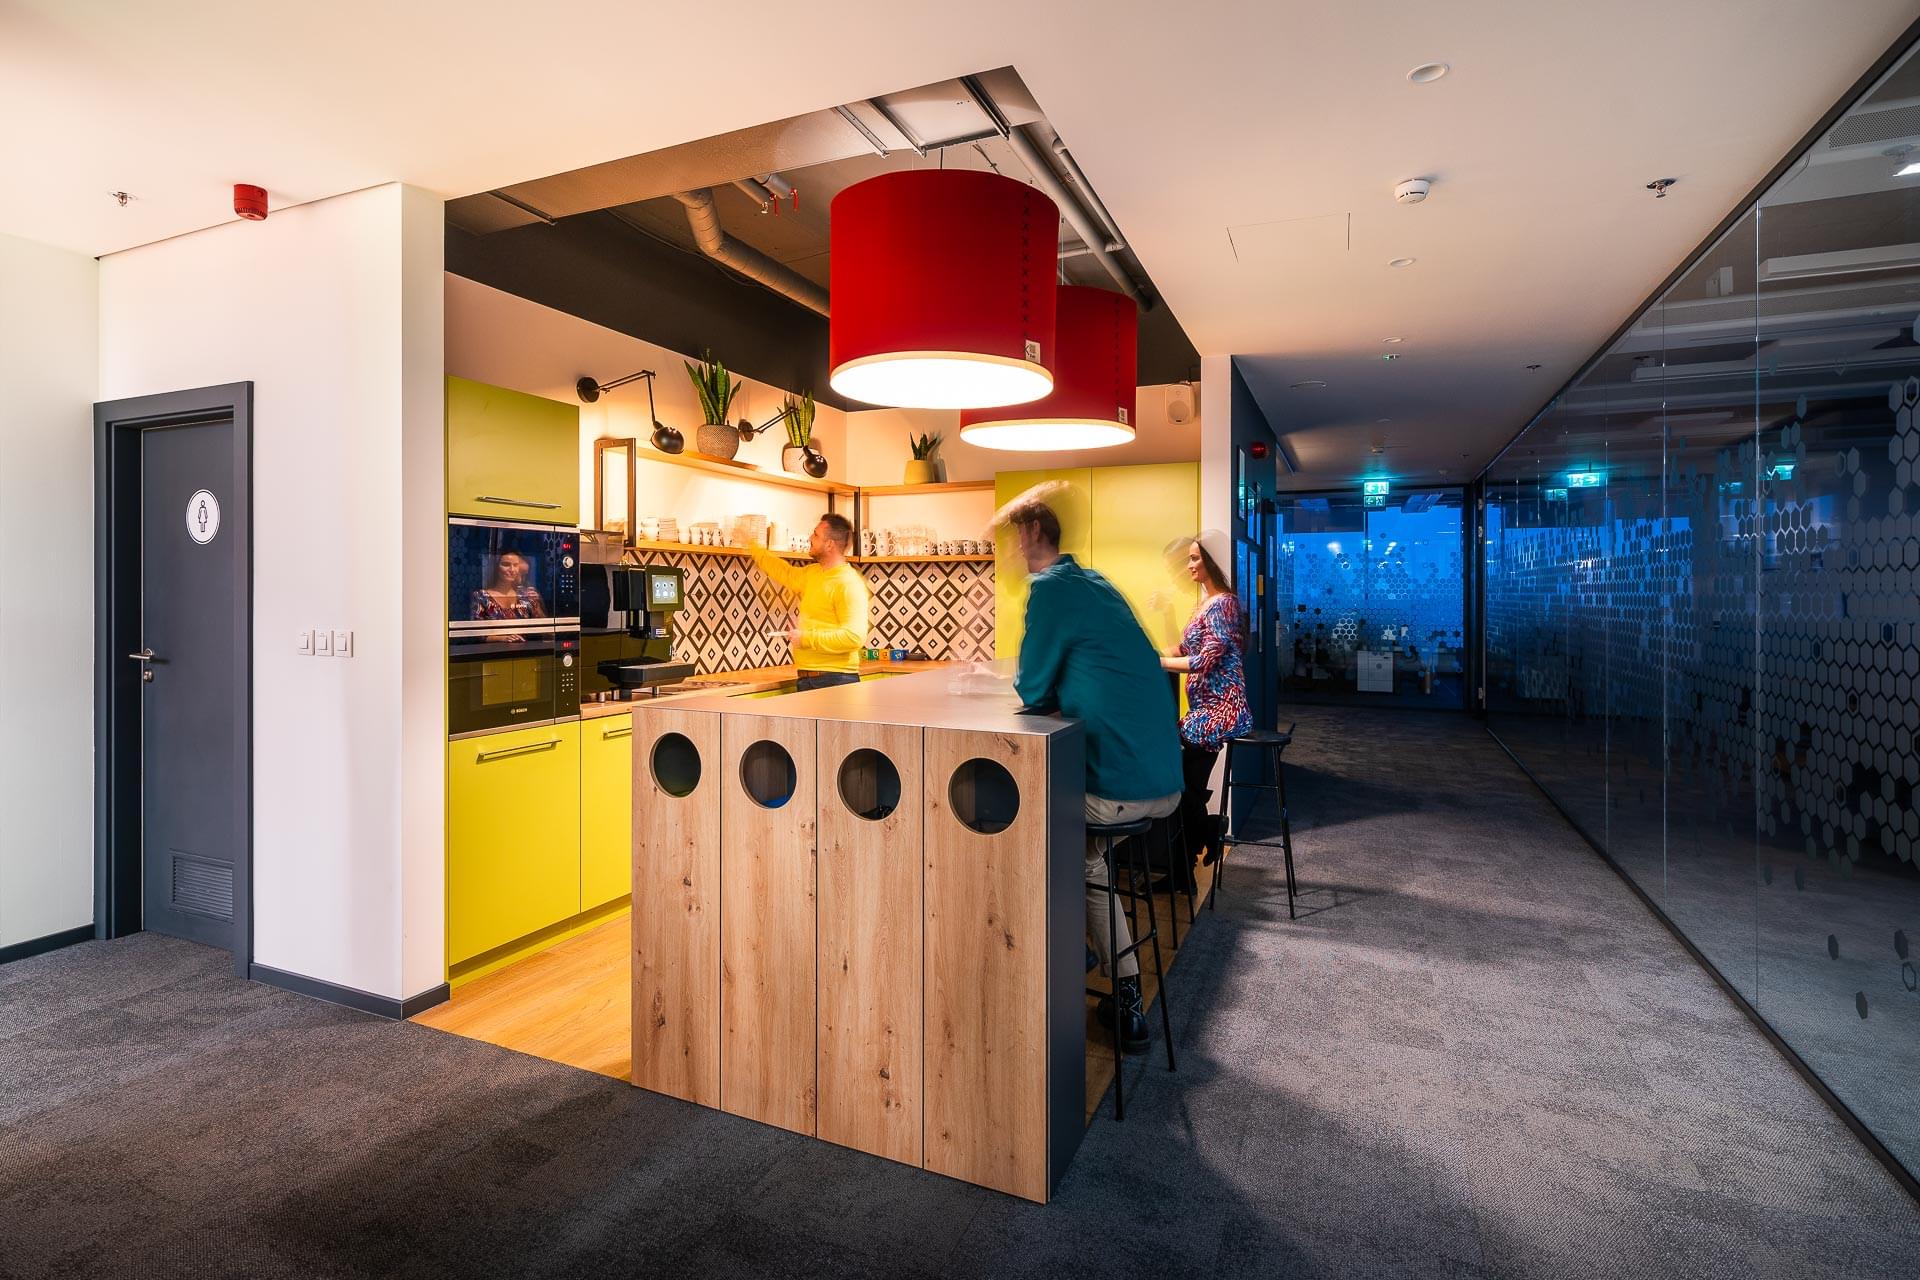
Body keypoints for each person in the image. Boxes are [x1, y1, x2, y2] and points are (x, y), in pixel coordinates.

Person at [1006, 497, 1183, 1056]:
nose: (1011, 550)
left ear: (1034, 531)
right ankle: (1097, 961)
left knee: (1024, 818)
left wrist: (1049, 693)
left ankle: (1083, 974)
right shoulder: (1097, 582)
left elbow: (1033, 688)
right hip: (1166, 780)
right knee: (1083, 853)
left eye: (1014, 538)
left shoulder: (1051, 587)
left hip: (1118, 793)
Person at [1158, 532, 1251, 881]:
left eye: (1195, 558)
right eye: (1189, 559)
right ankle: (1184, 868)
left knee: (1179, 787)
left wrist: (1160, 664)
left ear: (1211, 561)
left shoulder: (1224, 603)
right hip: (1203, 711)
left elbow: (1205, 659)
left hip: (1219, 711)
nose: (1189, 565)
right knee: (1186, 787)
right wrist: (1151, 652)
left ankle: (1210, 831)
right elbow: (1182, 649)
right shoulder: (1205, 604)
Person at [744, 512, 869, 692]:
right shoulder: (812, 573)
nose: (810, 538)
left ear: (829, 544)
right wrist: (752, 546)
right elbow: (784, 572)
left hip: (836, 680)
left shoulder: (848, 583)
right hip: (807, 679)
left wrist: (806, 638)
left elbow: (854, 637)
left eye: (815, 534)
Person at [470, 550, 547, 621]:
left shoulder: (525, 595)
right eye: (506, 564)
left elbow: (546, 631)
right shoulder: (481, 596)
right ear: (496, 567)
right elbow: (476, 631)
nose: (512, 569)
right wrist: (496, 636)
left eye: (515, 565)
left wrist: (537, 605)